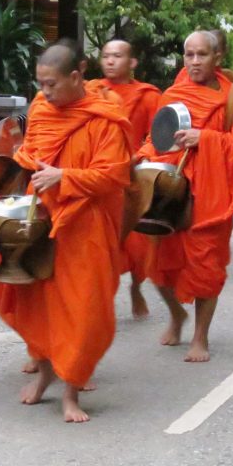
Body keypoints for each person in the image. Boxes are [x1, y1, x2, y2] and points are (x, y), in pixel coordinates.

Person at [0, 41, 131, 423]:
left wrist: (66, 176)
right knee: (37, 303)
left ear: (76, 77)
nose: (44, 93)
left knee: (83, 310)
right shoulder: (43, 110)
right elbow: (30, 154)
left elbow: (114, 175)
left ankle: (72, 392)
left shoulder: (104, 116)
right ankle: (45, 376)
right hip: (40, 219)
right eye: (40, 84)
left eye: (51, 84)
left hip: (85, 226)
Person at [135, 30, 233, 363]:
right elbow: (158, 137)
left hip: (210, 192)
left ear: (217, 58)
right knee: (156, 262)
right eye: (188, 54)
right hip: (170, 190)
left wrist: (205, 137)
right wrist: (141, 154)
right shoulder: (174, 93)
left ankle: (200, 337)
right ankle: (177, 315)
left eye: (201, 54)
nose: (193, 61)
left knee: (206, 265)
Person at [87, 39, 162, 319]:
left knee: (136, 243)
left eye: (117, 56)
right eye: (105, 56)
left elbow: (159, 134)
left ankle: (136, 286)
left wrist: (142, 154)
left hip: (131, 173)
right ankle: (99, 302)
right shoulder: (91, 92)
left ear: (132, 62)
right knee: (102, 245)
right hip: (98, 174)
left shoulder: (148, 95)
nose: (109, 61)